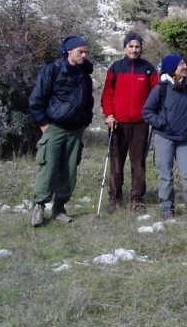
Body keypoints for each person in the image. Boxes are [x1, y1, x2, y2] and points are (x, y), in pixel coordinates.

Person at [29, 34, 94, 227]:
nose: (84, 55)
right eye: (80, 51)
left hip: (75, 131)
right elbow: (36, 100)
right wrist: (44, 125)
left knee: (69, 171)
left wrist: (85, 122)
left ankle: (59, 208)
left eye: (85, 52)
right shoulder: (52, 70)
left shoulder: (85, 76)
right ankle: (39, 208)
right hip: (54, 128)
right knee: (48, 168)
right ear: (69, 51)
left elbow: (88, 103)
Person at [100, 33, 158, 213]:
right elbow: (107, 95)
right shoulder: (115, 68)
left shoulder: (149, 69)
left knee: (138, 163)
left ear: (141, 48)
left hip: (140, 123)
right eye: (131, 46)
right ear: (125, 47)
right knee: (116, 163)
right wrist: (109, 115)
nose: (134, 50)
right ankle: (115, 199)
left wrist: (151, 115)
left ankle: (136, 200)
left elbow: (156, 95)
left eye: (137, 47)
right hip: (117, 123)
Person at [143, 54, 187, 221]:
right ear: (172, 69)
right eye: (180, 64)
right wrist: (162, 124)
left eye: (183, 63)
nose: (184, 67)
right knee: (165, 175)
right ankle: (166, 207)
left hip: (183, 138)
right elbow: (147, 111)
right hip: (164, 137)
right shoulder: (160, 89)